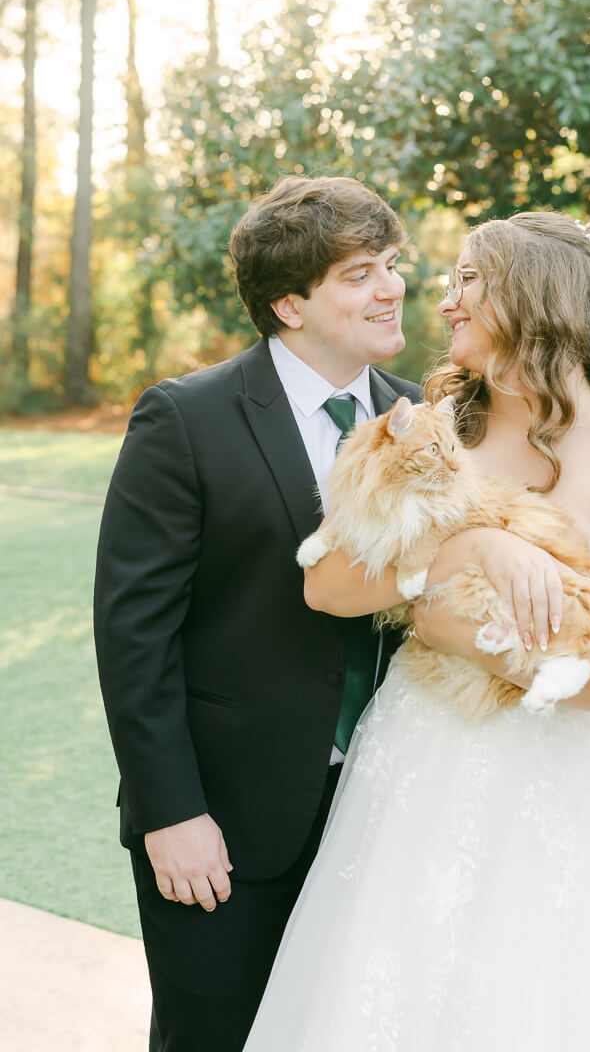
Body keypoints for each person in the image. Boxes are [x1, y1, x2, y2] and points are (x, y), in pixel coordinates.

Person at [243, 211, 590, 1050]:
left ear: (536, 298)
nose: (446, 297)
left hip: (573, 796)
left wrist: (452, 630)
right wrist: (470, 544)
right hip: (418, 772)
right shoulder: (440, 425)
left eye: (469, 279)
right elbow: (327, 583)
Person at [94, 175, 425, 1052]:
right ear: (288, 302)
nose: (390, 286)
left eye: (391, 264)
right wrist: (171, 815)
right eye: (359, 272)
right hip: (223, 825)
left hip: (381, 812)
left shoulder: (424, 415)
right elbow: (134, 637)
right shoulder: (186, 417)